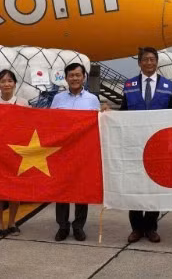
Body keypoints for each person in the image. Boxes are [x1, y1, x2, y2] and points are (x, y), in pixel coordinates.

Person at [120, 47, 172, 244]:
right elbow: (123, 112)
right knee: (135, 186)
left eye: (152, 59)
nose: (149, 63)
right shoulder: (129, 85)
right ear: (139, 63)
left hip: (158, 145)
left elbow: (171, 114)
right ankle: (136, 228)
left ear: (157, 62)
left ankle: (151, 227)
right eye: (145, 60)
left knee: (154, 187)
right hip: (135, 144)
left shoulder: (169, 86)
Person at [50, 62, 101, 242]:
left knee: (81, 189)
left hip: (83, 152)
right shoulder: (57, 99)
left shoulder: (92, 100)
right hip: (62, 152)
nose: (74, 78)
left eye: (78, 75)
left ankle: (79, 226)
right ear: (66, 78)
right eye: (71, 75)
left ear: (84, 77)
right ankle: (63, 226)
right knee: (61, 189)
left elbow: (98, 125)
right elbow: (49, 124)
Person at [0, 69, 30, 238]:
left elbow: (31, 127)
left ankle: (12, 222)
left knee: (15, 190)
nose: (6, 84)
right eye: (3, 81)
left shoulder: (23, 103)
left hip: (17, 153)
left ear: (14, 83)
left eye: (9, 81)